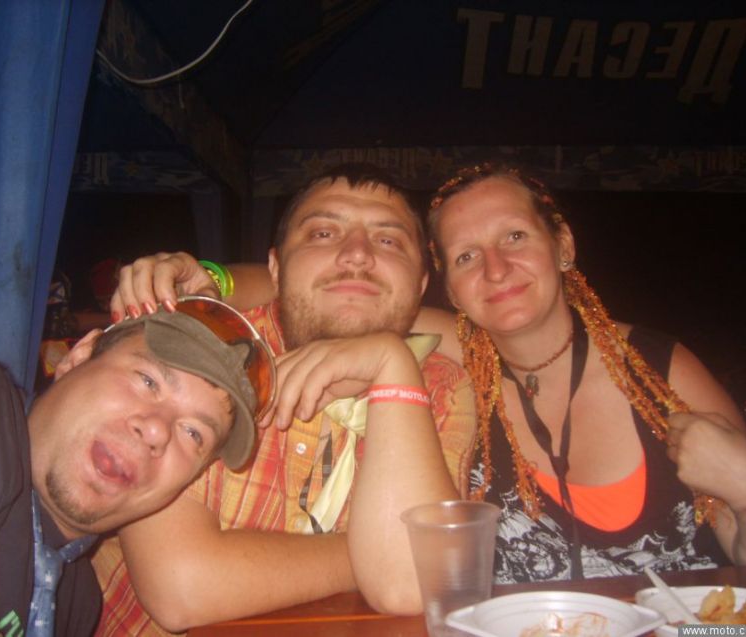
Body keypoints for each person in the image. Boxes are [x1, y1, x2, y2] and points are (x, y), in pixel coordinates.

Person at [93, 164, 475, 635]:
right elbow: (182, 587)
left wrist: (390, 363)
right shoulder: (204, 344)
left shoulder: (441, 386)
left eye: (388, 240)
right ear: (275, 268)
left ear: (419, 284)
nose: (357, 254)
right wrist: (376, 552)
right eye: (323, 233)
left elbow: (406, 585)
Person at [422, 163, 746, 582]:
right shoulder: (457, 363)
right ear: (452, 290)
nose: (496, 269)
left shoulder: (657, 372)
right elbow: (372, 315)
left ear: (563, 245)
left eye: (515, 236)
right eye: (466, 256)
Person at [0, 297, 268, 636]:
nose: (157, 431)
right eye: (148, 381)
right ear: (79, 357)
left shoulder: (77, 605)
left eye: (193, 433)